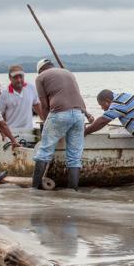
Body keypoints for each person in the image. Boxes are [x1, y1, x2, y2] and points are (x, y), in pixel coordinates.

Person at [32, 58, 93, 190]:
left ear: (40, 70)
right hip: (78, 115)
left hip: (59, 113)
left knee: (44, 151)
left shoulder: (40, 77)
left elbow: (44, 105)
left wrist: (46, 122)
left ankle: (35, 190)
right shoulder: (69, 73)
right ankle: (73, 190)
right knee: (75, 157)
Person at [0, 64, 41, 131]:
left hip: (29, 130)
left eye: (21, 77)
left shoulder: (31, 88)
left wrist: (45, 120)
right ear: (9, 77)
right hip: (12, 131)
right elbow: (0, 115)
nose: (19, 80)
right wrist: (3, 130)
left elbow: (36, 105)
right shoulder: (3, 93)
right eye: (15, 77)